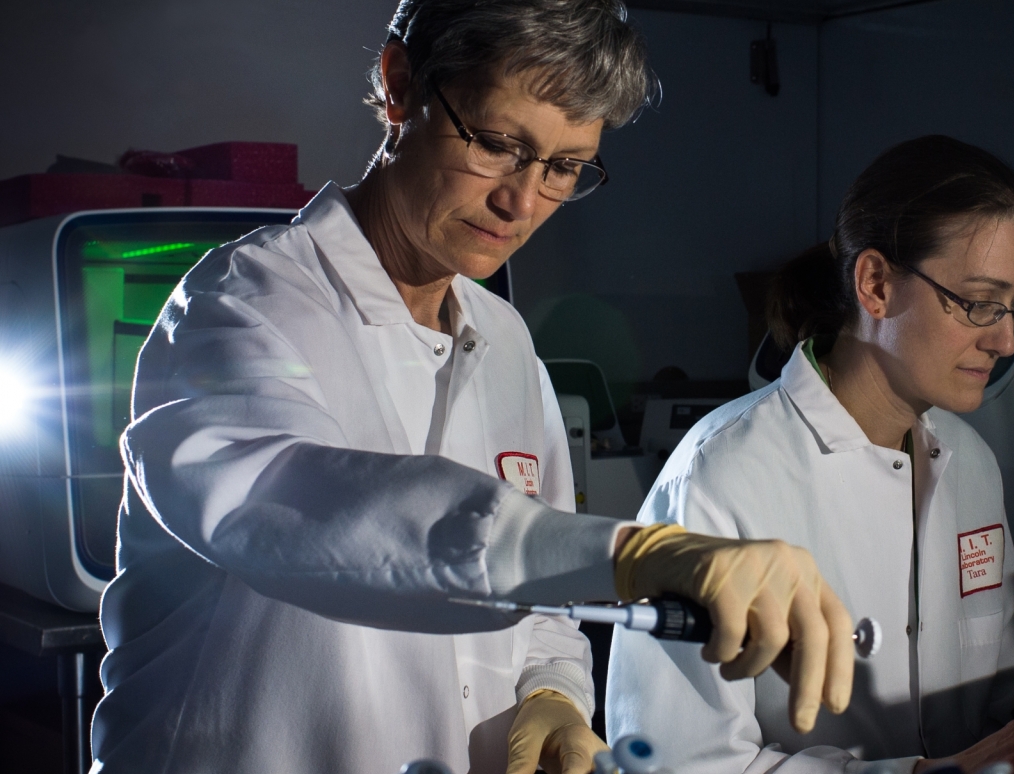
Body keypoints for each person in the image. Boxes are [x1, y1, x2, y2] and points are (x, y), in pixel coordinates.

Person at [92, 3, 856, 773]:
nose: (522, 201)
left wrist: (550, 693)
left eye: (562, 167)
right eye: (497, 144)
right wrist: (630, 553)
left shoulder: (505, 340)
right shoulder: (244, 301)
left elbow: (546, 609)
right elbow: (284, 505)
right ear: (400, 87)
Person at [606, 135, 1014, 774]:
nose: (1006, 340)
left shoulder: (970, 461)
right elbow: (674, 762)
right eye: (979, 303)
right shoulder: (724, 472)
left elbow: (994, 707)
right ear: (876, 284)